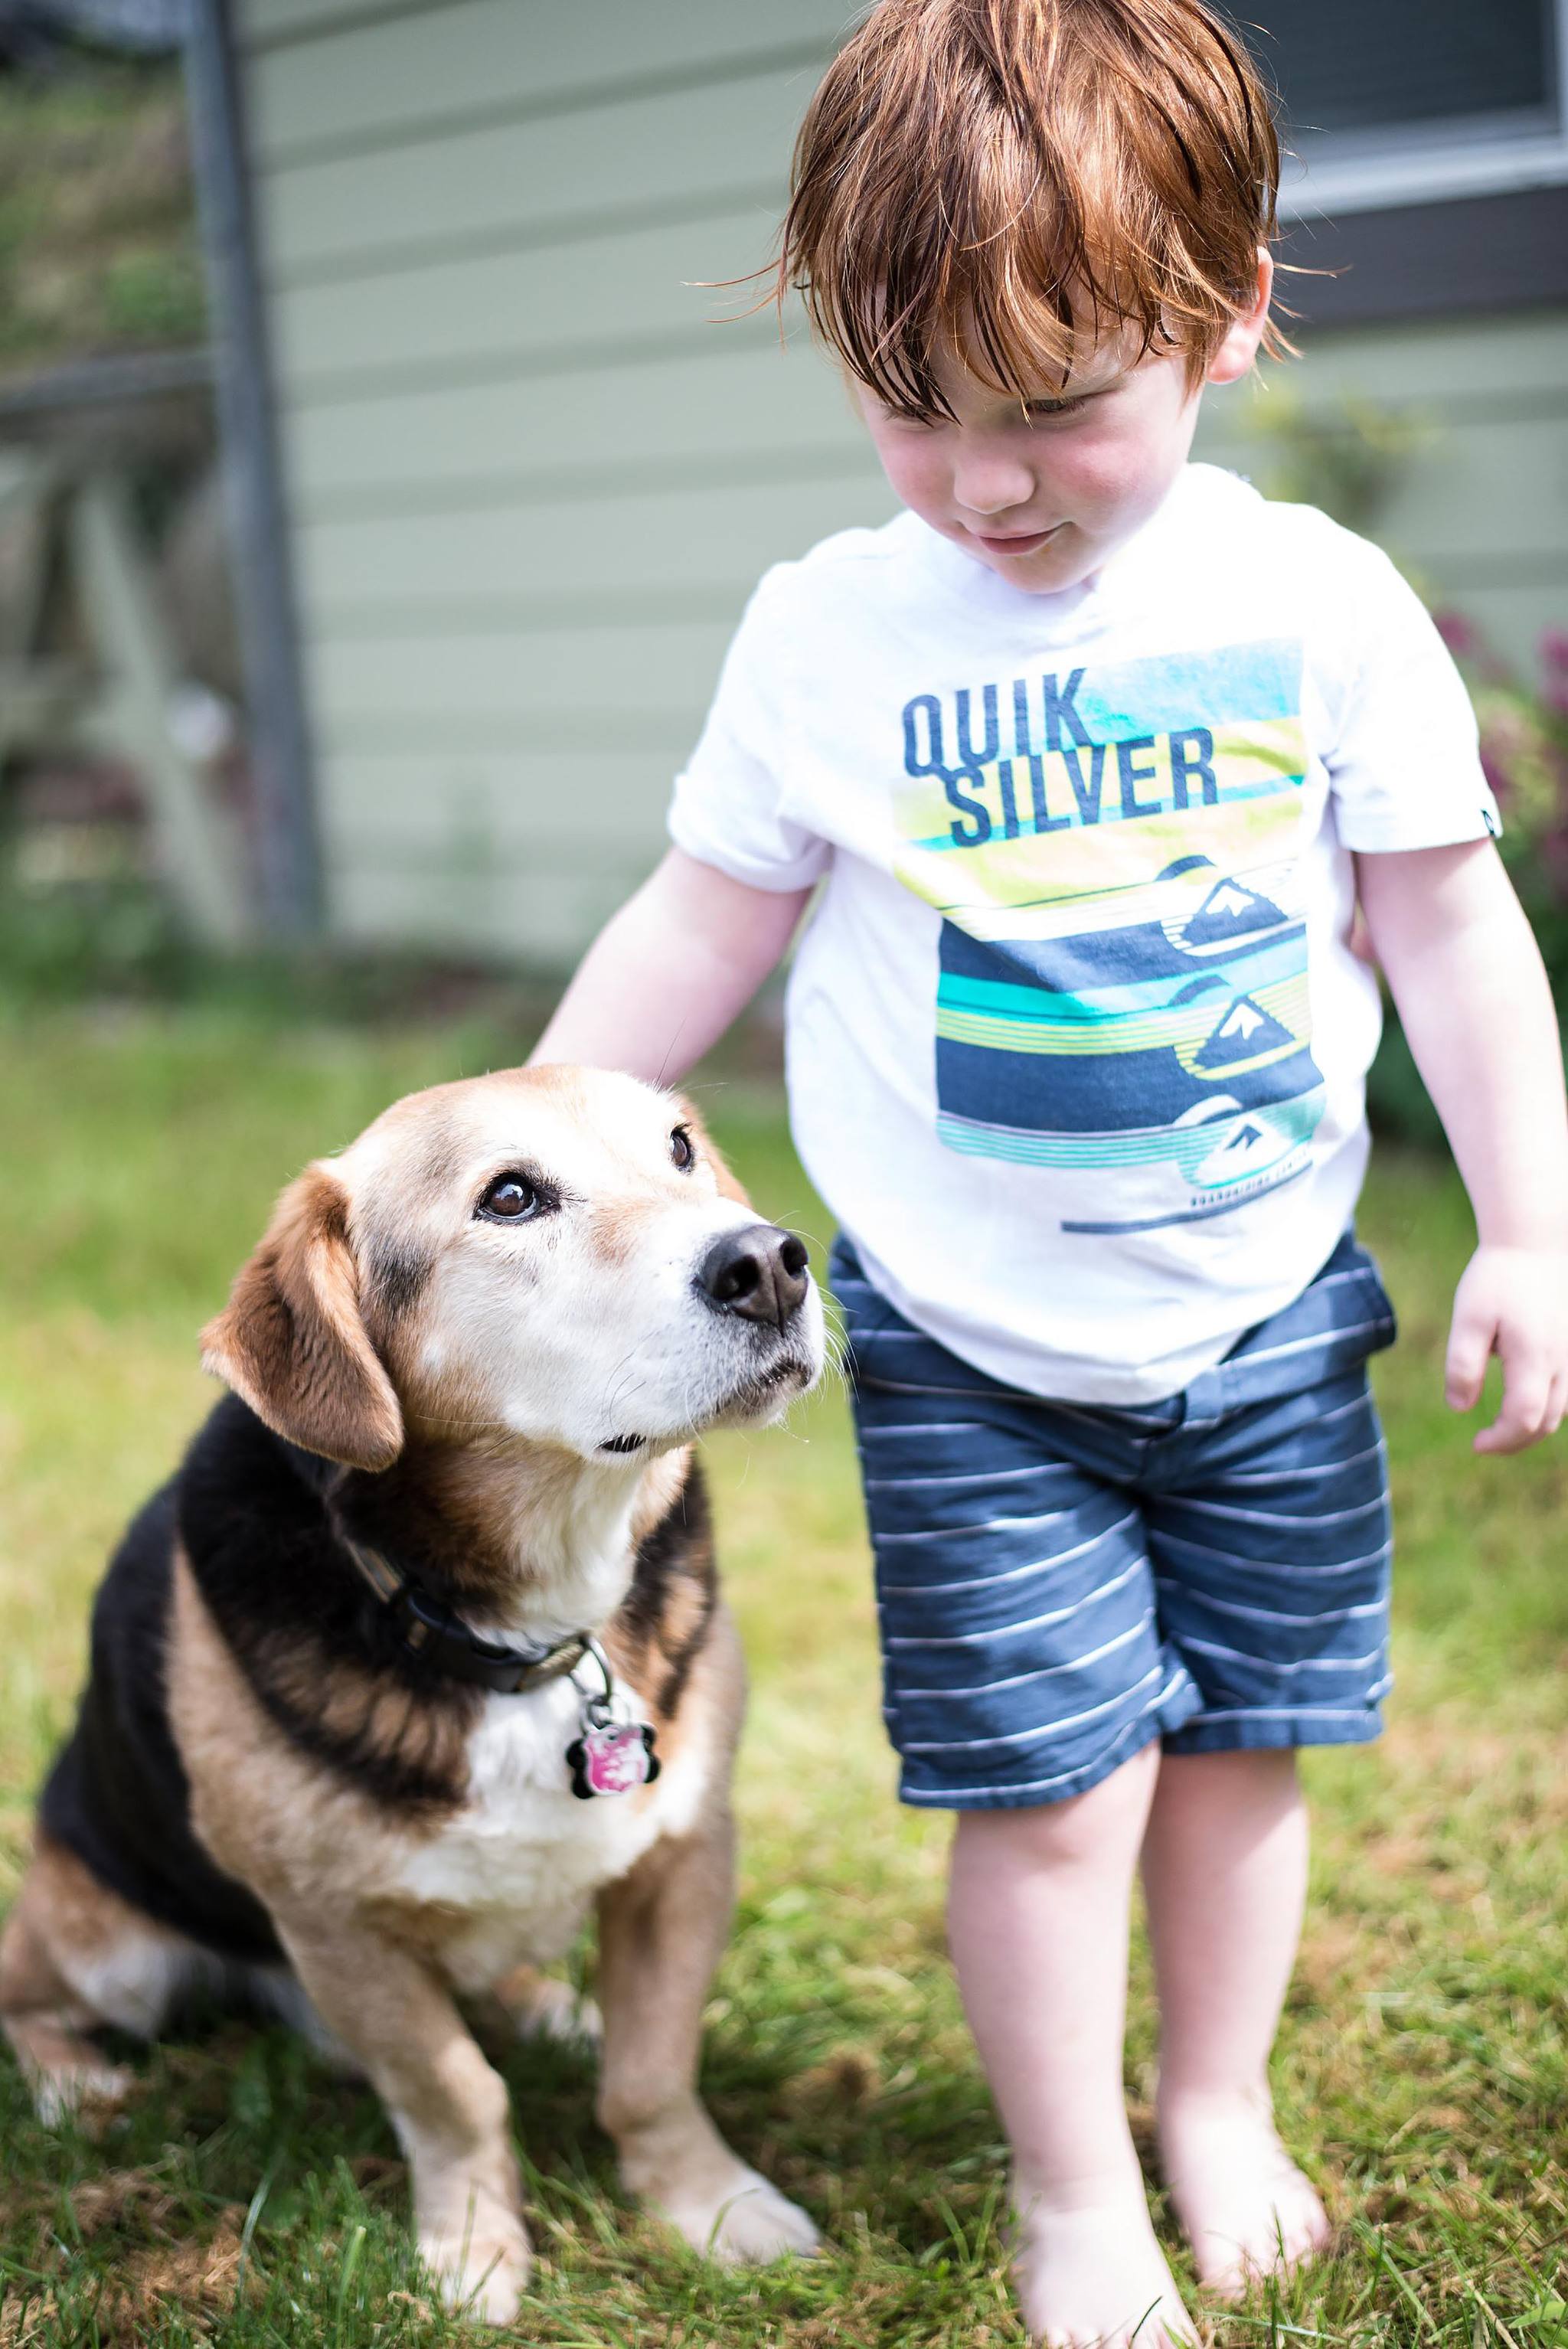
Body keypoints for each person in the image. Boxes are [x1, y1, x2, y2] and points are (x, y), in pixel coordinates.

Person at [530, 2, 1568, 2339]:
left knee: (1241, 1756)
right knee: (1055, 1790)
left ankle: (1214, 2094)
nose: (986, 487)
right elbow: (708, 909)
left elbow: (1447, 920)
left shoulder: (1316, 611)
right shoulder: (833, 632)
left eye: (1052, 416)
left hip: (1274, 1313)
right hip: (977, 1348)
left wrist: (1529, 1223)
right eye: (914, 416)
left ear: (1220, 318)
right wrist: (534, 1145)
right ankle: (1076, 2186)